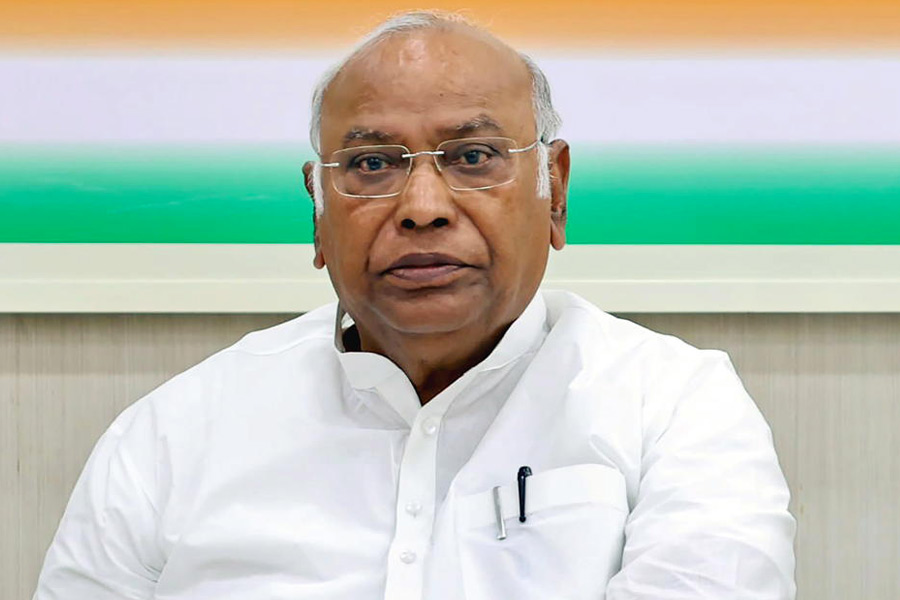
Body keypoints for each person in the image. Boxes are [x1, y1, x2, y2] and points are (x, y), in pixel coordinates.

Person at [34, 11, 796, 600]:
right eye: (371, 164)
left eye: (473, 157)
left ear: (555, 192)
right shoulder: (172, 433)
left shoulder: (675, 406)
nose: (423, 207)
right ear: (318, 214)